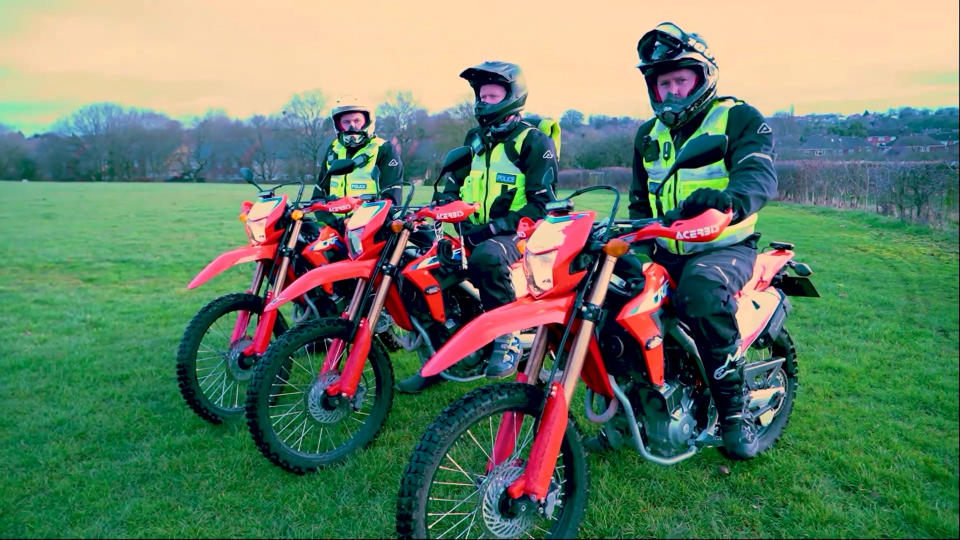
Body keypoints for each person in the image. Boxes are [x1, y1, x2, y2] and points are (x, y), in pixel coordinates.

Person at [589, 22, 778, 460]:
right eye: (663, 83)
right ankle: (624, 413)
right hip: (661, 245)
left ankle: (734, 418)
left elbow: (760, 173)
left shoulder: (738, 117)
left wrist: (730, 200)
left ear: (702, 76)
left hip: (724, 247)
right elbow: (640, 200)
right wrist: (628, 238)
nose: (672, 91)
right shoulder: (647, 135)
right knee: (605, 293)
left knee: (701, 291)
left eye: (680, 80)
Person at [395, 60, 559, 393]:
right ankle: (439, 358)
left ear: (512, 97)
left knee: (487, 256)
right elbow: (453, 183)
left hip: (517, 235)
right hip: (471, 233)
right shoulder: (474, 139)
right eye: (481, 95)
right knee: (414, 272)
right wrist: (443, 203)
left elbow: (541, 204)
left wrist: (496, 227)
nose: (484, 102)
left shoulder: (533, 141)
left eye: (493, 95)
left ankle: (508, 337)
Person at [310, 99, 402, 231]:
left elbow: (391, 198)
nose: (352, 126)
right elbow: (318, 196)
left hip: (372, 229)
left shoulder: (383, 149)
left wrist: (356, 222)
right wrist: (334, 223)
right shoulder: (334, 149)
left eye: (357, 121)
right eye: (346, 122)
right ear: (339, 125)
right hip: (336, 229)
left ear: (367, 121)